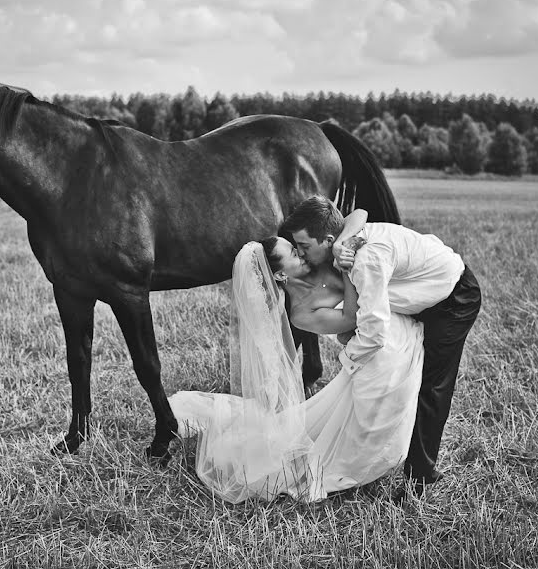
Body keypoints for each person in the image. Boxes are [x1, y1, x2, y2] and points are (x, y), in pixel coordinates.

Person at [168, 209, 424, 503]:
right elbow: (350, 320)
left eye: (299, 247)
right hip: (371, 336)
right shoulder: (301, 312)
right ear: (279, 275)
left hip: (382, 324)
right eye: (293, 252)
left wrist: (342, 245)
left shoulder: (319, 260)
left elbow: (359, 215)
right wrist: (348, 272)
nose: (302, 254)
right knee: (362, 415)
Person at [282, 195, 481, 502]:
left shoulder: (364, 261)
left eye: (306, 246)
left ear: (329, 240)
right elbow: (357, 214)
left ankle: (421, 478)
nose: (302, 254)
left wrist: (348, 359)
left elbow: (373, 333)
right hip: (418, 295)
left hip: (453, 300)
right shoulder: (346, 247)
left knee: (433, 386)